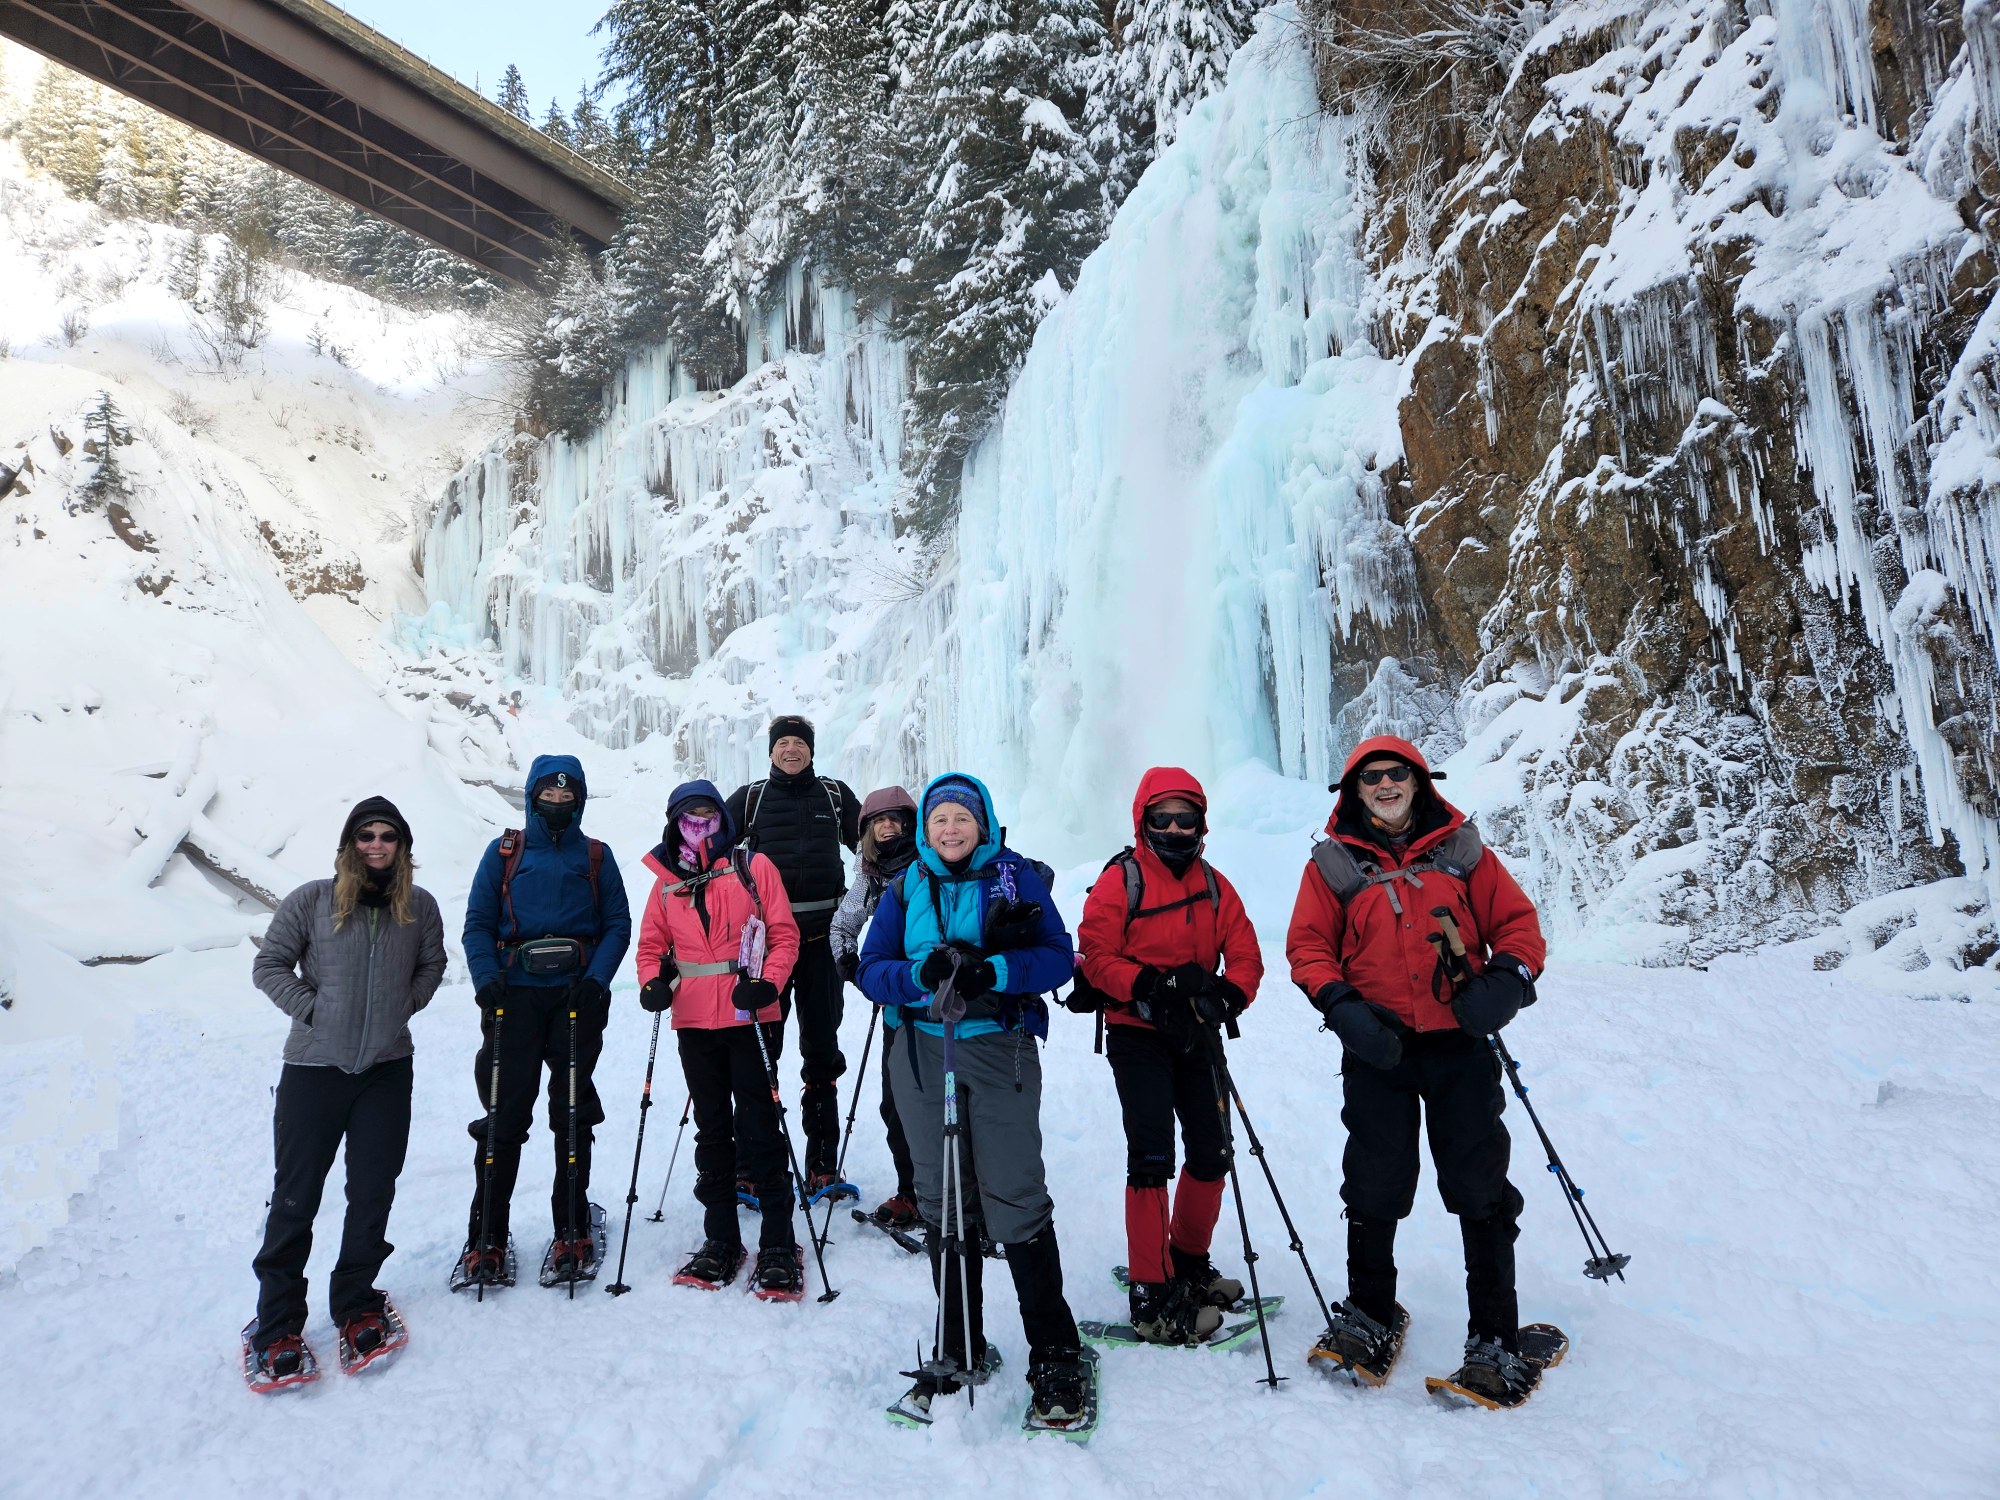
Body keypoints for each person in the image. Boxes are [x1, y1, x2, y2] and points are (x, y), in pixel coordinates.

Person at [1286, 735, 1546, 1400]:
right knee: (1373, 1180)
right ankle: (1370, 1312)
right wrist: (1341, 1006)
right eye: (1370, 777)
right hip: (1379, 1045)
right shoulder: (1334, 863)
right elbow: (1309, 945)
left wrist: (1508, 983)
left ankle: (1494, 1335)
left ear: (1416, 780)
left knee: (1477, 1182)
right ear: (1355, 790)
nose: (1384, 785)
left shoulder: (1461, 851)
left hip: (1459, 1044)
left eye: (1395, 773)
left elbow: (1517, 926)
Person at [857, 772, 1089, 1427]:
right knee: (940, 1199)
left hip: (997, 1047)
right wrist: (915, 976)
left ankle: (1054, 1352)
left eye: (961, 818)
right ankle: (958, 1345)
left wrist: (997, 970)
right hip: (921, 1056)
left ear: (981, 822)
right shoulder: (905, 888)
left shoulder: (1015, 877)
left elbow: (1058, 958)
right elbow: (871, 970)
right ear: (925, 829)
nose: (950, 830)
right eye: (939, 821)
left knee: (1014, 1193)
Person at [246, 796, 446, 1382]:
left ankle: (357, 1303)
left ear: (402, 845)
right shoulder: (311, 900)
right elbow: (270, 966)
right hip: (314, 1070)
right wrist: (315, 1012)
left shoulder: (420, 907)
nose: (377, 845)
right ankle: (277, 1321)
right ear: (349, 844)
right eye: (366, 836)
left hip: (386, 1069)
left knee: (373, 1191)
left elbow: (432, 965)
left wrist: (403, 1008)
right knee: (296, 1196)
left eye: (387, 836)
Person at [1077, 767, 1263, 1345]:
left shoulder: (1214, 885)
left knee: (1213, 1149)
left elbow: (1248, 954)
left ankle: (1186, 1258)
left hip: (1198, 1033)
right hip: (1138, 1033)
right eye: (1164, 817)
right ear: (1145, 821)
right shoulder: (1122, 880)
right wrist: (1153, 986)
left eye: (1186, 817)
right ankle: (1152, 1292)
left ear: (1201, 822)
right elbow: (1096, 954)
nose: (1176, 827)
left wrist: (1227, 995)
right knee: (1152, 1154)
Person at [460, 754, 632, 1283]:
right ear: (533, 797)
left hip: (576, 1000)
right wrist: (487, 980)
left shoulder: (598, 857)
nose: (556, 804)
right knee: (504, 1115)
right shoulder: (505, 853)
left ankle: (572, 1226)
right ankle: (485, 1235)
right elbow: (477, 924)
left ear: (578, 801)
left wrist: (596, 981)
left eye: (566, 798)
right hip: (513, 999)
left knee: (573, 1111)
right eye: (548, 797)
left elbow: (618, 925)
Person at [634, 780, 806, 1296]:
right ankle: (722, 1238)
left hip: (750, 1012)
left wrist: (769, 982)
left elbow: (784, 934)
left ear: (722, 820)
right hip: (693, 1022)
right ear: (674, 822)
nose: (699, 823)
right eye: (688, 816)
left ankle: (778, 1241)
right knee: (711, 1130)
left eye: (707, 814)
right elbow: (651, 943)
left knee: (758, 1125)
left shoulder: (754, 866)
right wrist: (652, 981)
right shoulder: (666, 880)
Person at [726, 716, 859, 1194]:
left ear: (811, 750)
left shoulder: (835, 795)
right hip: (767, 946)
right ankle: (750, 1163)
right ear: (771, 751)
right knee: (761, 1051)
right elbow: (715, 857)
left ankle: (823, 1162)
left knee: (821, 1049)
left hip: (823, 942)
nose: (790, 750)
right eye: (782, 743)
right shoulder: (750, 799)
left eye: (798, 743)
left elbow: (871, 846)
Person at [828, 785, 921, 1226]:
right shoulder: (869, 876)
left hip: (946, 1002)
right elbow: (843, 924)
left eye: (895, 819)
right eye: (878, 821)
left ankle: (962, 1191)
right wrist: (850, 963)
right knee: (895, 1102)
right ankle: (913, 1191)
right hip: (896, 1004)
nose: (887, 827)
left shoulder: (933, 863)